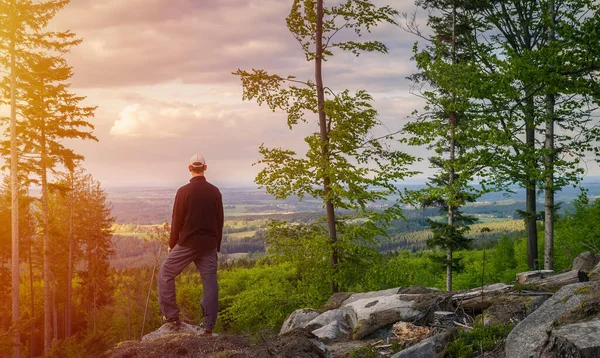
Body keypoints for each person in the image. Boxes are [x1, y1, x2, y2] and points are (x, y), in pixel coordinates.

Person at [158, 154, 224, 334]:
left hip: (187, 243)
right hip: (208, 244)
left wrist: (172, 244)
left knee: (166, 273)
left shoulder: (183, 191)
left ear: (189, 169)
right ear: (205, 168)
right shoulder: (214, 191)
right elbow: (220, 221)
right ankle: (209, 325)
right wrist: (215, 245)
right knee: (210, 283)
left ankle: (171, 316)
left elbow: (176, 220)